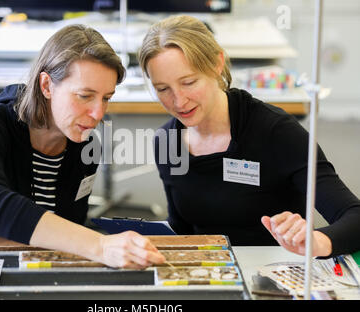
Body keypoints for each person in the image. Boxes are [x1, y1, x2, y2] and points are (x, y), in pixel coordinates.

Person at [0, 24, 165, 269]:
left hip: (28, 274)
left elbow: (68, 231)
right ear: (46, 86)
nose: (98, 113)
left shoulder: (84, 147)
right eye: (84, 96)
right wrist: (101, 246)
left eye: (106, 98)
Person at [138, 15, 360, 257]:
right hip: (210, 275)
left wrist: (317, 241)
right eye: (163, 89)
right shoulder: (167, 141)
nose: (179, 101)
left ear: (216, 64)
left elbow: (354, 217)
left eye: (189, 82)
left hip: (274, 276)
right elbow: (182, 228)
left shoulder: (276, 132)